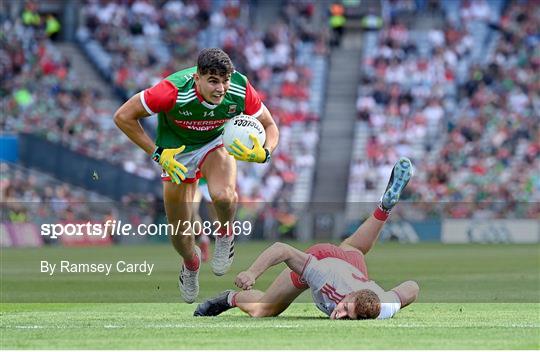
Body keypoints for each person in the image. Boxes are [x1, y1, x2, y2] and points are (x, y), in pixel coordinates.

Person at [114, 48, 279, 303]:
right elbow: (123, 116)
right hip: (176, 153)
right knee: (180, 234)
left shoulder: (240, 87)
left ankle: (225, 233)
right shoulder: (171, 91)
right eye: (213, 81)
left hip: (215, 144)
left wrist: (265, 153)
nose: (221, 88)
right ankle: (191, 265)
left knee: (223, 196)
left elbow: (270, 125)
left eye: (224, 81)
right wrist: (157, 153)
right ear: (197, 77)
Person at [194, 157, 419, 319]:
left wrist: (395, 301)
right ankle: (229, 299)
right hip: (321, 260)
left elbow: (412, 287)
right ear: (348, 295)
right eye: (343, 308)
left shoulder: (381, 307)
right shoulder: (326, 279)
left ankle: (384, 208)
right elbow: (283, 249)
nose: (338, 315)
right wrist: (252, 273)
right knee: (263, 309)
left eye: (347, 315)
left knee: (354, 248)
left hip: (353, 268)